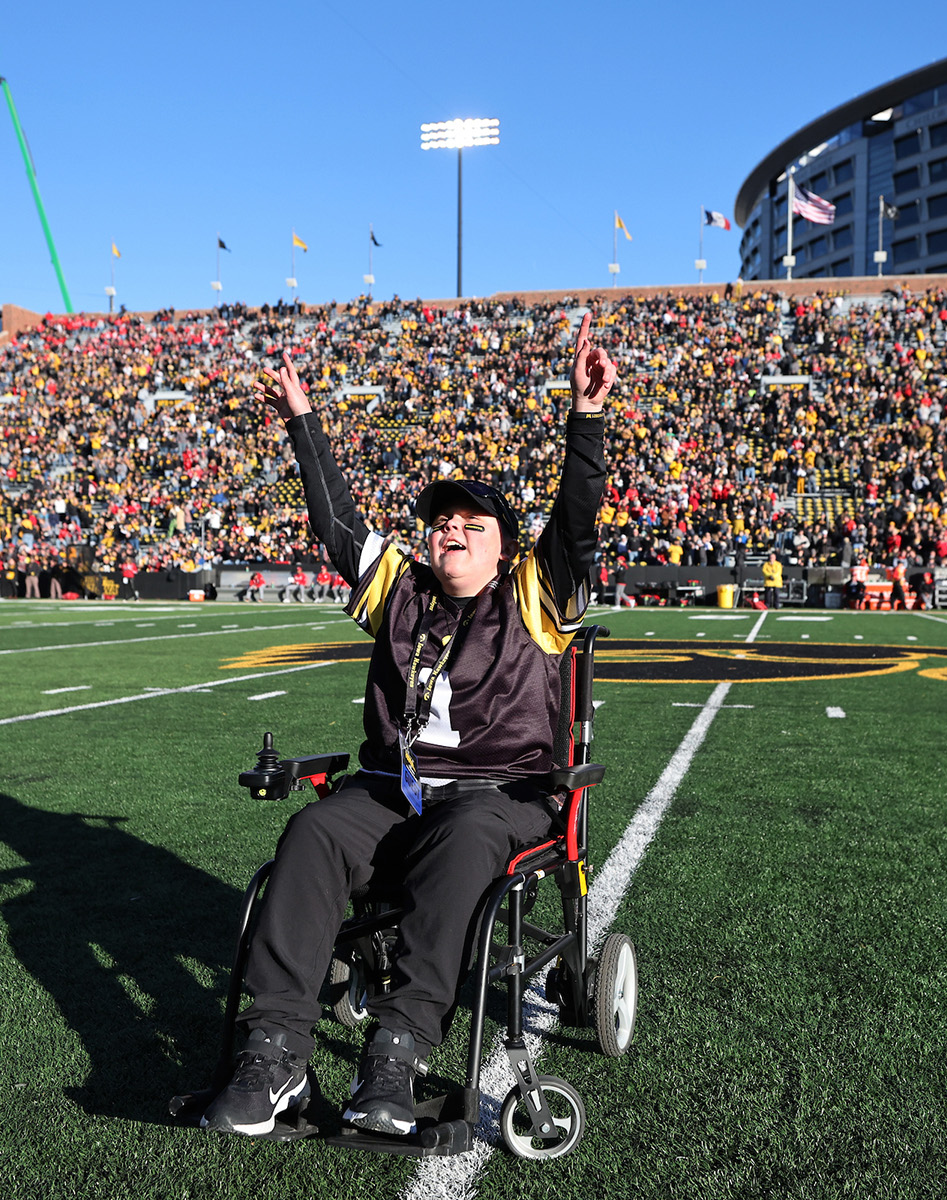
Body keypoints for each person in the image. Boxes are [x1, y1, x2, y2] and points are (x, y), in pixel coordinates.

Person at [200, 310, 616, 1140]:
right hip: (395, 790)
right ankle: (274, 1051)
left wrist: (587, 420)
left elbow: (574, 524)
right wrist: (303, 425)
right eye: (441, 523)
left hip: (501, 795)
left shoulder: (533, 596)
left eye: (473, 525)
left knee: (466, 840)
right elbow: (338, 524)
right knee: (314, 829)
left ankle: (396, 1051)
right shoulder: (400, 590)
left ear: (503, 549)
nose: (451, 532)